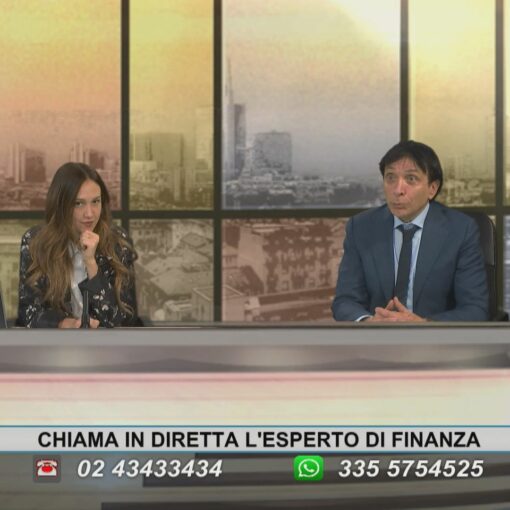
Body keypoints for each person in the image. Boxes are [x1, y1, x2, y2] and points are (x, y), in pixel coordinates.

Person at [332, 140, 489, 322]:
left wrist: (423, 325)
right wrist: (369, 322)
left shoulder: (460, 230)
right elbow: (345, 301)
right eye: (391, 178)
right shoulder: (361, 227)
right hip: (376, 337)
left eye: (411, 179)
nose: (398, 190)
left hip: (434, 338)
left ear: (432, 188)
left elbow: (475, 309)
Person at [18, 162, 138, 328]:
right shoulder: (35, 241)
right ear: (60, 205)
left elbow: (125, 320)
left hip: (108, 343)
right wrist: (64, 324)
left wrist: (91, 263)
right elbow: (28, 313)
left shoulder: (118, 242)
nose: (89, 214)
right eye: (78, 203)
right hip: (55, 342)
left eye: (95, 201)